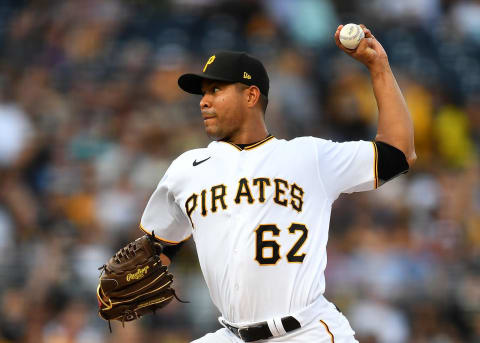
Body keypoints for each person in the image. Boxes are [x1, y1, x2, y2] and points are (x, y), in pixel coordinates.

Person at [140, 25, 416, 342]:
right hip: (231, 335)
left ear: (251, 95)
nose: (203, 101)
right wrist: (123, 282)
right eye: (202, 93)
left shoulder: (309, 156)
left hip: (307, 331)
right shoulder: (186, 169)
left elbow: (398, 152)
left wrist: (378, 67)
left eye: (215, 90)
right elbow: (157, 251)